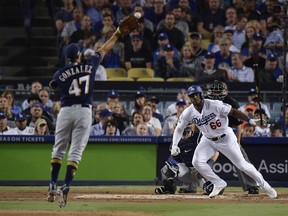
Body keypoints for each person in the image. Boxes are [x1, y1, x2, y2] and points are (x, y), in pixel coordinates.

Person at [46, 25, 129, 208]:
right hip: (84, 111)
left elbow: (53, 85)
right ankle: (66, 186)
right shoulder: (89, 65)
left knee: (58, 148)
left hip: (66, 110)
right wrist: (116, 34)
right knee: (75, 151)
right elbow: (104, 49)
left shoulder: (62, 72)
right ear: (79, 55)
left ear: (67, 57)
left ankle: (52, 184)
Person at [170, 85, 277, 199]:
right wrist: (175, 144)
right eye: (192, 96)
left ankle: (266, 186)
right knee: (197, 162)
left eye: (197, 94)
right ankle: (219, 183)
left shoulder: (214, 104)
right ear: (189, 98)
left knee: (242, 165)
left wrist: (250, 120)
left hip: (225, 138)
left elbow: (234, 112)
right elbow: (179, 128)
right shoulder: (188, 112)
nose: (195, 97)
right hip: (207, 140)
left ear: (201, 94)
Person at [207, 80, 260, 194]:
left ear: (225, 92)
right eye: (214, 92)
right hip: (207, 136)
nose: (216, 94)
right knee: (194, 155)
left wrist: (238, 142)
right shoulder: (204, 102)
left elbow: (239, 125)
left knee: (241, 158)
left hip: (227, 135)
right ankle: (192, 185)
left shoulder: (231, 103)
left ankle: (251, 185)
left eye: (218, 91)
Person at [155, 125, 210, 195]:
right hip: (188, 170)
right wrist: (174, 155)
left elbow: (215, 151)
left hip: (202, 170)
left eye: (187, 130)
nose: (185, 133)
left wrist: (208, 165)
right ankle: (169, 189)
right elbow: (177, 160)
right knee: (166, 169)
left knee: (215, 189)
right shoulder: (175, 142)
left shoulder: (200, 137)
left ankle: (199, 187)